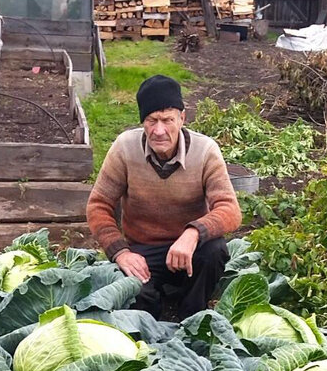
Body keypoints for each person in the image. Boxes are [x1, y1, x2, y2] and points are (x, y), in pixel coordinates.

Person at [86, 74, 242, 320]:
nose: (159, 131)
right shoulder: (125, 148)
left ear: (182, 118)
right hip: (143, 250)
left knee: (215, 250)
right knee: (135, 298)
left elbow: (230, 210)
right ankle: (152, 322)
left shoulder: (205, 151)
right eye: (151, 121)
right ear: (142, 122)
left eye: (168, 120)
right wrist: (121, 252)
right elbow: (98, 205)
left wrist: (192, 234)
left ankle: (192, 318)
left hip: (190, 251)